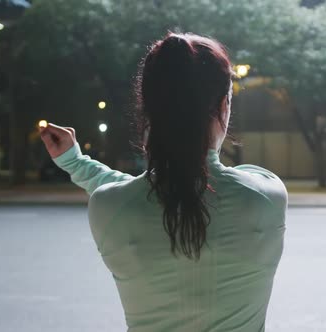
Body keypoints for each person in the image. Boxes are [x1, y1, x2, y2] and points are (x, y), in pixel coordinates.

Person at [39, 32, 287, 332]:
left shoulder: (109, 206)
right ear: (224, 106)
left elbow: (136, 194)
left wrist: (75, 163)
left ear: (150, 112)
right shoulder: (265, 195)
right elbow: (185, 184)